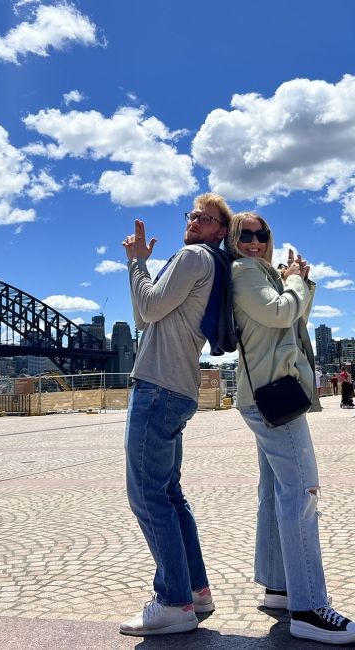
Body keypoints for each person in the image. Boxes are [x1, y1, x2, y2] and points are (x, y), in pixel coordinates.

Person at [228, 210, 355, 644]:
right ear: (234, 240)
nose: (253, 240)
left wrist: (299, 280)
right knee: (302, 493)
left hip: (267, 392)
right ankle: (308, 607)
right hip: (274, 397)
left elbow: (293, 318)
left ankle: (280, 587)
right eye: (244, 234)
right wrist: (295, 282)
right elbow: (280, 313)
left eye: (260, 233)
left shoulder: (263, 273)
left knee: (274, 492)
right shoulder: (244, 272)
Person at [118, 193, 233, 636]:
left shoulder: (191, 257)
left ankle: (174, 601)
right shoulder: (212, 263)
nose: (195, 221)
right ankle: (196, 591)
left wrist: (135, 261)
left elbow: (145, 310)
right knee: (170, 496)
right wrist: (144, 265)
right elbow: (148, 315)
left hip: (158, 386)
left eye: (206, 219)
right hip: (177, 387)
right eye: (193, 215)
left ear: (221, 231)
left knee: (147, 496)